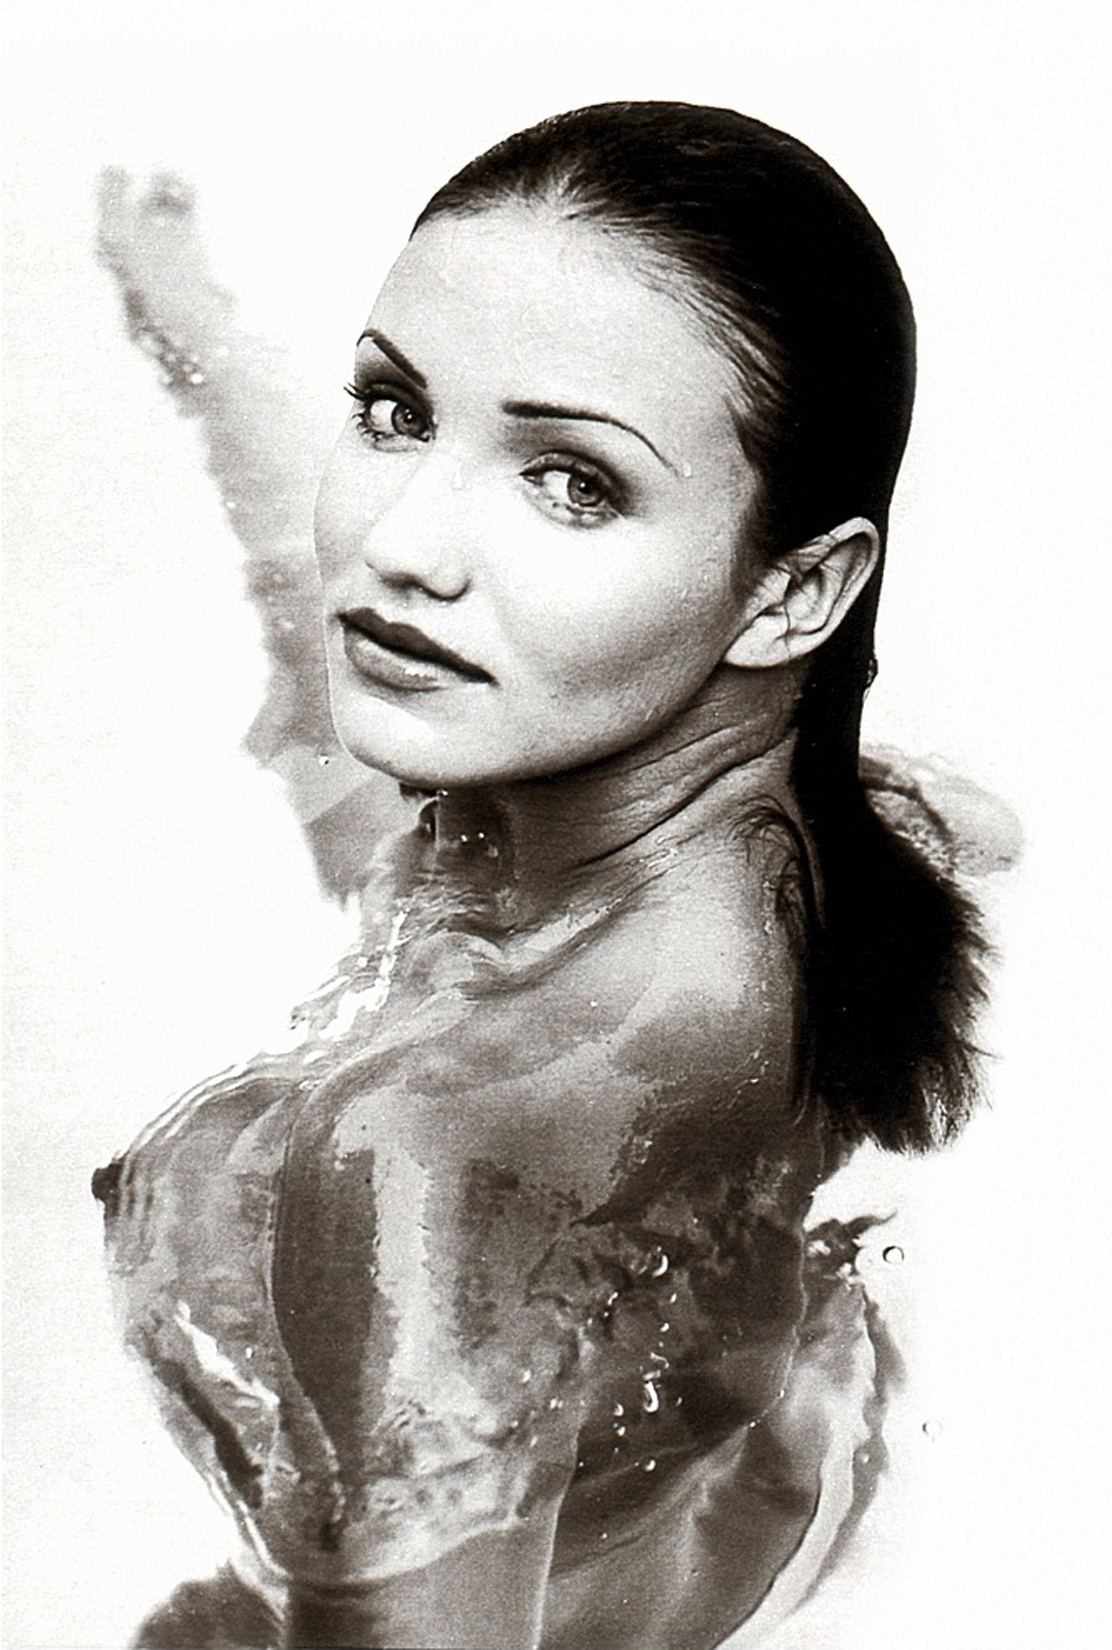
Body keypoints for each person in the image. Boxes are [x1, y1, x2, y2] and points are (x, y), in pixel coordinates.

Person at [94, 102, 990, 1650]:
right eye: (392, 409)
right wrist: (190, 326)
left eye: (574, 482)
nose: (403, 546)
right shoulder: (856, 837)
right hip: (747, 1488)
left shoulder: (422, 1158)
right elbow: (314, 605)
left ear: (797, 592)